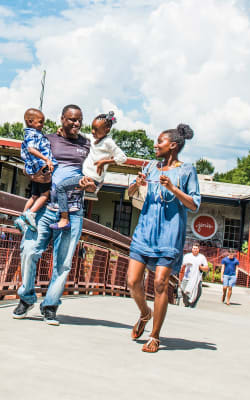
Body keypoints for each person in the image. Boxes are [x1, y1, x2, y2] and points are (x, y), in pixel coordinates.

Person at [12, 104, 96, 325]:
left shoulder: (87, 145)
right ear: (62, 119)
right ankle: (27, 297)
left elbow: (97, 177)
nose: (76, 124)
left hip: (74, 210)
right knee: (29, 251)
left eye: (79, 120)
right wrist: (32, 173)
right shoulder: (47, 139)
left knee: (63, 262)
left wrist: (92, 185)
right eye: (71, 119)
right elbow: (29, 163)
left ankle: (49, 306)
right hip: (46, 207)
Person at [127, 124, 200, 353]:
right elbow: (131, 195)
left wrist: (174, 189)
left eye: (160, 142)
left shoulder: (187, 171)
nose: (155, 145)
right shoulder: (150, 167)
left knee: (160, 284)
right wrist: (136, 185)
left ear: (173, 145)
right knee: (132, 281)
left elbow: (194, 204)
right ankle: (144, 313)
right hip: (144, 231)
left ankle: (155, 336)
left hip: (169, 235)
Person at [50, 111, 127, 230]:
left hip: (91, 178)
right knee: (69, 191)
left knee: (60, 187)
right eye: (92, 128)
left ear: (106, 130)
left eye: (96, 129)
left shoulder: (108, 143)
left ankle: (64, 219)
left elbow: (123, 158)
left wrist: (105, 161)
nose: (92, 131)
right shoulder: (92, 138)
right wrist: (62, 130)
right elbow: (80, 134)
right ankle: (66, 216)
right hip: (84, 175)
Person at [14, 108, 58, 233]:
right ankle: (31, 214)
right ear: (30, 122)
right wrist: (46, 159)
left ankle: (22, 218)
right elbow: (31, 149)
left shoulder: (32, 133)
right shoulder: (32, 134)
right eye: (40, 122)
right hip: (41, 167)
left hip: (34, 168)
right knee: (44, 195)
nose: (42, 125)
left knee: (34, 196)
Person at [180, 242, 209, 308]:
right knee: (183, 290)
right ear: (192, 249)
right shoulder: (187, 256)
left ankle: (192, 305)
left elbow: (206, 268)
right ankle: (186, 303)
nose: (195, 250)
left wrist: (200, 267)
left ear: (199, 249)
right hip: (187, 277)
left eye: (196, 249)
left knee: (198, 293)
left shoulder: (202, 257)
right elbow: (182, 266)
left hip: (197, 278)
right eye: (194, 248)